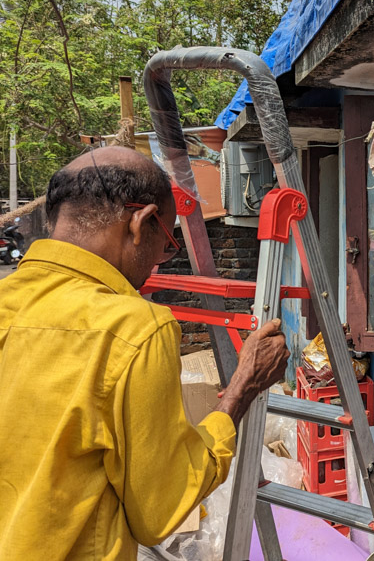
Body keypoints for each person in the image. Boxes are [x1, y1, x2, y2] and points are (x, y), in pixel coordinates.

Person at [0, 146, 290, 560]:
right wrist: (242, 389)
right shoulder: (134, 328)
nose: (158, 262)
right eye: (168, 242)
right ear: (140, 222)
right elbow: (161, 511)